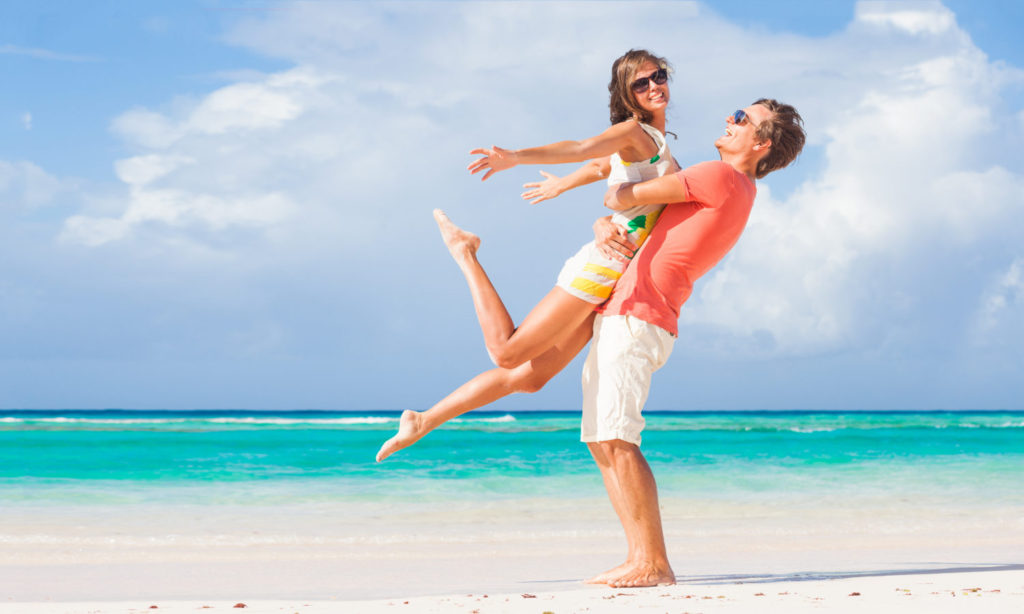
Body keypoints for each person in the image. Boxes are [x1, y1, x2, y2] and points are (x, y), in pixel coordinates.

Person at [376, 49, 678, 462]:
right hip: (601, 269)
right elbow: (583, 148)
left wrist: (563, 186)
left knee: (531, 377)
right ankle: (465, 252)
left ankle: (423, 420)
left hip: (616, 281)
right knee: (506, 352)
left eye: (658, 76)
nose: (654, 87)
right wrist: (516, 158)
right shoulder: (633, 131)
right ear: (627, 95)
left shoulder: (659, 147)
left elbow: (598, 167)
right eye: (640, 83)